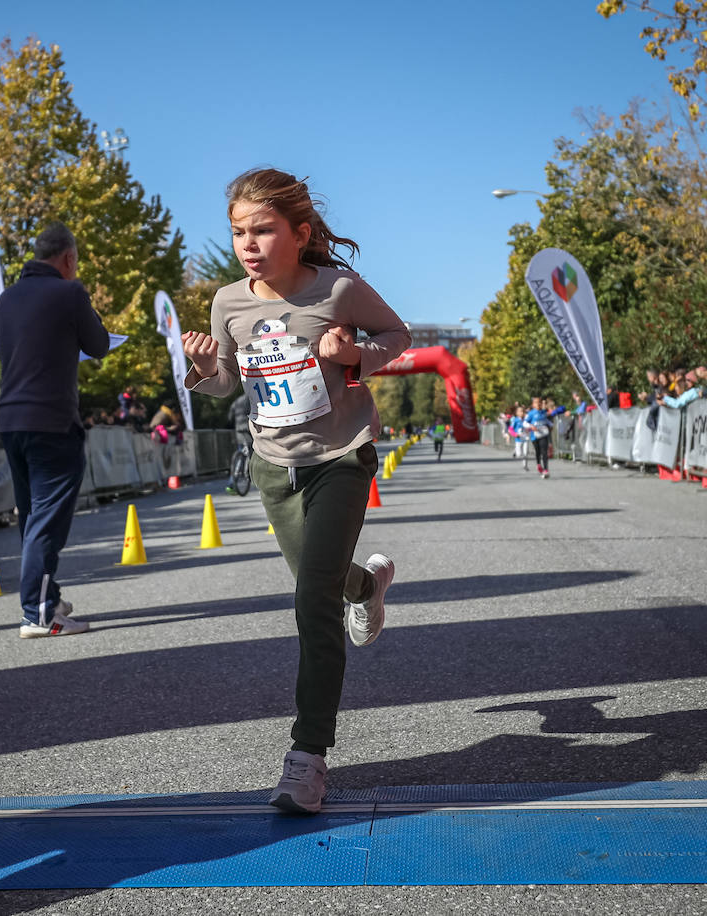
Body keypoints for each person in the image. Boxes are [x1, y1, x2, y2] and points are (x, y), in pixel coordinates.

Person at [182, 168, 411, 815]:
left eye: (262, 229)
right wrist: (203, 367)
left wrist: (353, 354)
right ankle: (367, 587)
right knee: (327, 580)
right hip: (272, 467)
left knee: (311, 599)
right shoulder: (228, 303)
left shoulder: (337, 289)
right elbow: (227, 382)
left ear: (300, 232)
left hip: (341, 458)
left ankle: (307, 757)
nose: (248, 243)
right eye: (237, 232)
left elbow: (397, 336)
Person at [0, 223, 110, 637]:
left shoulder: (5, 299)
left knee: (31, 517)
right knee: (47, 522)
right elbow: (97, 344)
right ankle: (39, 613)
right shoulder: (69, 292)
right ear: (69, 258)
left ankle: (47, 596)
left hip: (11, 420)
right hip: (53, 420)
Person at [524, 396, 552, 479]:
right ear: (533, 405)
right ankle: (538, 464)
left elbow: (546, 421)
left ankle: (546, 469)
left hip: (543, 434)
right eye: (536, 402)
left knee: (544, 451)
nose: (538, 404)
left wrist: (551, 425)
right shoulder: (531, 413)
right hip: (534, 435)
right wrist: (530, 426)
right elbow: (524, 423)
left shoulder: (543, 412)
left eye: (539, 402)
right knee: (538, 451)